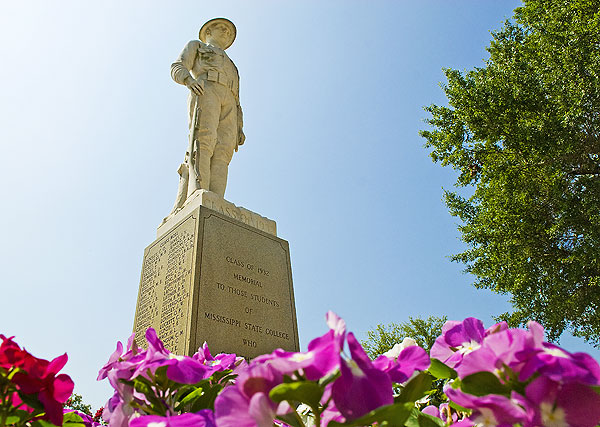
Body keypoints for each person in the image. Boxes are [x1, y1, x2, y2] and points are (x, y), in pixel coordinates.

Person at [168, 18, 245, 215]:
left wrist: (239, 126)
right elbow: (177, 66)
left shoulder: (233, 65)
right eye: (222, 28)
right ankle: (197, 191)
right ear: (208, 31)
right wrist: (188, 80)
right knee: (203, 140)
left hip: (229, 101)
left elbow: (238, 98)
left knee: (224, 150)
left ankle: (217, 199)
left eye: (229, 30)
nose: (226, 32)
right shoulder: (197, 46)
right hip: (206, 88)